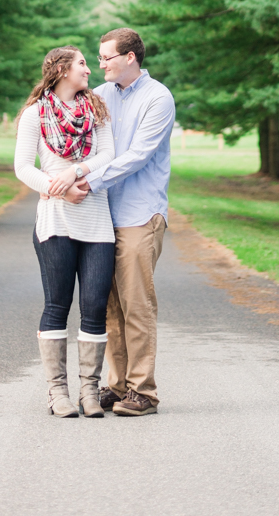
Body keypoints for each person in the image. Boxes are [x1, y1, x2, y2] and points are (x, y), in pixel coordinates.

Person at [64, 27, 175, 416]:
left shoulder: (158, 98)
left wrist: (86, 181)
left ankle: (144, 391)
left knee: (136, 303)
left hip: (139, 215)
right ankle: (118, 384)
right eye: (97, 58)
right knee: (108, 304)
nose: (100, 65)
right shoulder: (102, 96)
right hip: (101, 215)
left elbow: (137, 156)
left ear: (130, 57)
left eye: (106, 57)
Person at [14, 46, 116, 418]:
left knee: (93, 309)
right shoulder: (34, 114)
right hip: (55, 220)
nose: (89, 69)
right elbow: (23, 167)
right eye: (82, 64)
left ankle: (89, 392)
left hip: (96, 220)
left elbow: (107, 155)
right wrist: (58, 188)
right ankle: (57, 393)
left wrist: (75, 174)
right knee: (57, 306)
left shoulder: (95, 111)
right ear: (61, 70)